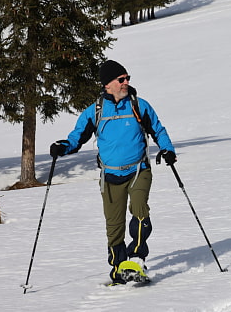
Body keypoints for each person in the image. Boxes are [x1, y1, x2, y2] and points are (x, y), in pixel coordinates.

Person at [50, 60, 177, 283]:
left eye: (127, 78)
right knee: (114, 226)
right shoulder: (95, 111)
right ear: (108, 84)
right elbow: (77, 137)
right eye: (121, 79)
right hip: (109, 176)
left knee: (139, 209)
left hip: (139, 170)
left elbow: (158, 129)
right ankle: (119, 267)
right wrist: (62, 148)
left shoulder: (139, 105)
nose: (126, 82)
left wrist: (167, 150)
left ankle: (137, 259)